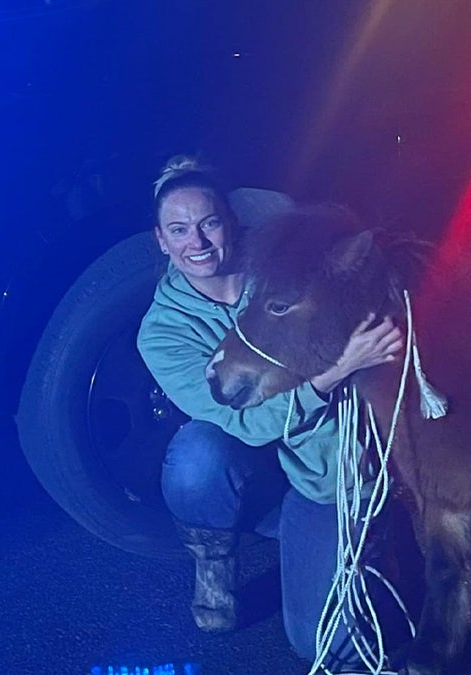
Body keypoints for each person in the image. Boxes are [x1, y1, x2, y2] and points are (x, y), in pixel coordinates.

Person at [136, 156, 413, 667]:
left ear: (230, 221)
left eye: (208, 223)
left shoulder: (277, 264)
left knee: (318, 642)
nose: (196, 243)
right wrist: (337, 370)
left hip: (317, 466)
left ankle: (353, 532)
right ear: (160, 239)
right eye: (179, 230)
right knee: (197, 454)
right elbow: (248, 424)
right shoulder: (161, 332)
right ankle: (215, 564)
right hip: (254, 458)